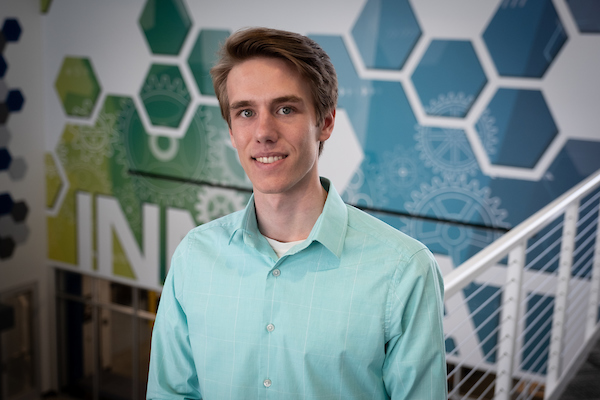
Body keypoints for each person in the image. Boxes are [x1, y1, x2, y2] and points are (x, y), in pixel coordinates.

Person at [147, 27, 447, 400]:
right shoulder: (195, 256)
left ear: (325, 122)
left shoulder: (404, 270)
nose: (263, 132)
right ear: (230, 130)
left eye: (285, 109)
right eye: (245, 112)